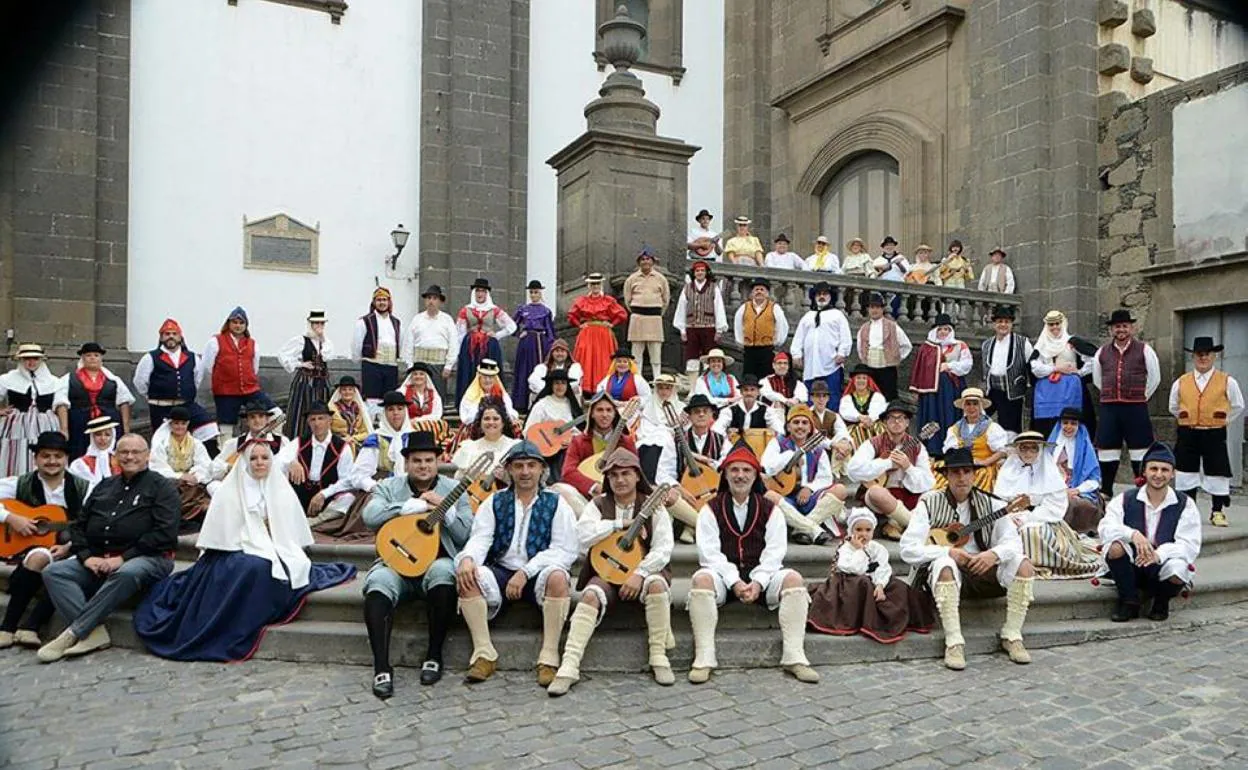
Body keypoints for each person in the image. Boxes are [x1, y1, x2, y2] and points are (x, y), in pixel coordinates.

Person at [133, 438, 355, 662]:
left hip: (273, 547)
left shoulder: (281, 488)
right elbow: (222, 537)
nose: (260, 463)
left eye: (265, 458)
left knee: (292, 566)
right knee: (254, 568)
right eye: (254, 458)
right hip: (231, 551)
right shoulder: (229, 492)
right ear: (246, 462)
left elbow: (290, 533)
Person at [37, 434, 179, 663]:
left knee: (127, 572)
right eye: (124, 452)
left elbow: (165, 533)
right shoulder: (105, 485)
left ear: (147, 456)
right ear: (115, 457)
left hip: (148, 558)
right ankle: (94, 633)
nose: (130, 457)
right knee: (54, 572)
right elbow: (80, 526)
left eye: (136, 452)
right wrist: (85, 557)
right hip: (99, 557)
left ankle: (73, 633)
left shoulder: (162, 487)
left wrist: (123, 558)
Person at [687, 442, 819, 684]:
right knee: (700, 579)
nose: (740, 476)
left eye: (746, 471)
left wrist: (758, 582)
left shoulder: (771, 509)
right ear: (725, 475)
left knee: (793, 579)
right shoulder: (710, 509)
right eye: (734, 470)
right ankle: (704, 657)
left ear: (755, 475)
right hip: (724, 579)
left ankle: (795, 657)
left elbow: (775, 552)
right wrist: (735, 582)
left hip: (762, 578)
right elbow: (710, 555)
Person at [548, 448, 676, 695]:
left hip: (644, 572)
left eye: (626, 473)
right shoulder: (598, 504)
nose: (620, 480)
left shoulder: (653, 506)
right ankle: (569, 665)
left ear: (638, 476)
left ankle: (658, 656)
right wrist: (617, 524)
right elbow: (582, 536)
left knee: (658, 586)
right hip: (607, 569)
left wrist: (639, 573)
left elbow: (663, 548)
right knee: (589, 595)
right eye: (614, 475)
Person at [899, 447, 1036, 670]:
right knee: (944, 564)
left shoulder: (993, 504)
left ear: (974, 475)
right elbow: (907, 549)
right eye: (955, 472)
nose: (961, 477)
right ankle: (953, 641)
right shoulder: (928, 502)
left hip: (983, 569)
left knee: (1024, 564)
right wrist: (948, 552)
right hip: (945, 572)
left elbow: (1014, 542)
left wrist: (994, 554)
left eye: (966, 471)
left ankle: (1012, 635)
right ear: (946, 476)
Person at [454, 441, 578, 685]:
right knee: (467, 575)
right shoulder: (495, 501)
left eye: (531, 465)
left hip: (538, 571)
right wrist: (468, 559)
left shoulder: (556, 503)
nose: (525, 472)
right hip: (500, 569)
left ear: (542, 469)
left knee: (559, 577)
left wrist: (526, 571)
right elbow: (481, 538)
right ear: (509, 470)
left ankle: (549, 656)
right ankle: (484, 653)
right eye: (518, 466)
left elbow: (565, 550)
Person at [361, 431, 473, 695]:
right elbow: (369, 515)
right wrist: (405, 507)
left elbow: (465, 534)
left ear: (438, 462)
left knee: (444, 572)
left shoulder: (454, 490)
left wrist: (447, 512)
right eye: (417, 461)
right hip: (396, 563)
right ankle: (381, 666)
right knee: (378, 582)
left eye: (428, 460)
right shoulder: (391, 487)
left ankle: (434, 655)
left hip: (436, 561)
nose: (423, 466)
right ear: (407, 463)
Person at [0, 432, 90, 650]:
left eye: (57, 456)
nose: (52, 461)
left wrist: (71, 545)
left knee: (57, 566)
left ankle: (28, 626)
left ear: (66, 458)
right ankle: (9, 627)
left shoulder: (84, 487)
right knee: (38, 557)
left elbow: (93, 522)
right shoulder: (20, 483)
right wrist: (11, 517)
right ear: (36, 458)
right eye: (45, 456)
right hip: (31, 546)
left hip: (70, 548)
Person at [1100, 442, 1200, 622]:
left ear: (1172, 474)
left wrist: (1158, 555)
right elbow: (1106, 527)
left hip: (1162, 565)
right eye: (1153, 468)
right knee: (1115, 547)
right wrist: (1133, 534)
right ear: (1144, 471)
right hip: (1132, 564)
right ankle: (1129, 601)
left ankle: (1161, 602)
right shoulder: (1125, 498)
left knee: (1179, 569)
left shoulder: (1185, 504)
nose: (1158, 474)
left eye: (1164, 470)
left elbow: (1189, 545)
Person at [807, 508, 933, 643]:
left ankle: (898, 620)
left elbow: (883, 567)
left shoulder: (877, 548)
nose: (863, 534)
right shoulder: (846, 547)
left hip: (874, 580)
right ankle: (866, 620)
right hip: (850, 582)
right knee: (864, 583)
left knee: (899, 587)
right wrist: (859, 550)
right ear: (851, 531)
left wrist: (880, 585)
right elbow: (854, 569)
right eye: (859, 530)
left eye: (868, 530)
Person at [996, 432, 1101, 579]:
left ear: (1040, 450)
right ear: (1018, 450)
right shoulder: (1007, 471)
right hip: (1011, 517)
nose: (1028, 452)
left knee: (1030, 532)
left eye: (1033, 448)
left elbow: (1055, 506)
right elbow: (999, 501)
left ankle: (1035, 564)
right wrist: (1010, 516)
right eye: (1024, 448)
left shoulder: (1050, 471)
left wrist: (1029, 515)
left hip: (1043, 520)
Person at [1168, 336, 1244, 527]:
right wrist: (1187, 418)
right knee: (1185, 470)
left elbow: (1238, 405)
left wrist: (1223, 420)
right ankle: (1188, 512)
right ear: (1193, 357)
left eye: (1207, 354)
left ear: (1214, 356)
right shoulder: (1182, 381)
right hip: (1188, 431)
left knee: (1217, 470)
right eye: (1199, 354)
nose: (1203, 358)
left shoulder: (1227, 381)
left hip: (1214, 432)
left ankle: (1217, 511)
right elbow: (1173, 406)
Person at [1093, 309, 1161, 496]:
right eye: (1117, 327)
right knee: (1107, 450)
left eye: (1124, 326)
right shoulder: (1101, 353)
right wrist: (1111, 394)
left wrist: (1140, 396)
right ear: (1111, 330)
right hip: (1110, 407)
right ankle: (1106, 490)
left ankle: (1142, 490)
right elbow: (1098, 380)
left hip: (1135, 407)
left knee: (1140, 450)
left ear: (1131, 328)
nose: (1121, 330)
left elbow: (1155, 378)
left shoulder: (1145, 350)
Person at [847, 400, 937, 540]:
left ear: (907, 423)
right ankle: (915, 527)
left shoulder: (918, 446)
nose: (897, 422)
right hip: (882, 498)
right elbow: (853, 470)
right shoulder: (873, 443)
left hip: (908, 496)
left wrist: (908, 467)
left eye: (901, 418)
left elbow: (928, 482)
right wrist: (887, 464)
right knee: (876, 492)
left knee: (933, 495)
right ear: (885, 422)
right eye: (892, 418)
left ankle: (895, 523)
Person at [762, 404, 849, 544]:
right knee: (768, 496)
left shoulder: (818, 449)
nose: (800, 426)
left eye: (804, 423)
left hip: (810, 499)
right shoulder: (777, 443)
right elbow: (767, 467)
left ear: (810, 428)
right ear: (788, 426)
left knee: (840, 490)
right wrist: (791, 455)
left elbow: (826, 477)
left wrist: (809, 488)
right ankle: (813, 529)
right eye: (796, 422)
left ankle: (801, 528)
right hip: (785, 497)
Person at [132, 318, 219, 453]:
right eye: (167, 334)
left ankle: (205, 460)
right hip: (161, 409)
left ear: (180, 337)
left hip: (186, 405)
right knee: (163, 443)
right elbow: (140, 382)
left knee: (208, 427)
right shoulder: (150, 358)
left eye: (174, 333)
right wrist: (156, 396)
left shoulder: (192, 357)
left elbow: (197, 378)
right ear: (161, 338)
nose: (171, 337)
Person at [201, 307, 277, 441]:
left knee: (277, 415)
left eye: (241, 323)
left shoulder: (252, 344)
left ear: (246, 325)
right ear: (229, 323)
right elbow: (208, 366)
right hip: (226, 392)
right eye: (235, 322)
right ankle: (226, 458)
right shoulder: (215, 342)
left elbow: (254, 367)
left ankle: (263, 442)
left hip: (250, 389)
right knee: (226, 429)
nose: (238, 326)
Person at [556, 392, 637, 514]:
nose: (604, 415)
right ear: (592, 414)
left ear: (615, 414)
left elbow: (636, 471)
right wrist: (593, 486)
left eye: (609, 410)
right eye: (599, 410)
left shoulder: (626, 442)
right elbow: (568, 472)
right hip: (586, 497)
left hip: (618, 496)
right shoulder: (578, 441)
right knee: (559, 489)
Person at [910, 314, 972, 459]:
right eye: (940, 329)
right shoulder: (927, 348)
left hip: (952, 389)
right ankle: (932, 447)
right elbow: (919, 369)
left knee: (950, 415)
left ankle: (952, 445)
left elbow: (967, 364)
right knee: (933, 417)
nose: (943, 332)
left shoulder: (959, 345)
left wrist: (949, 366)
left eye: (946, 329)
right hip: (932, 392)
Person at [57, 342, 133, 459]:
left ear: (101, 358)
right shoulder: (68, 379)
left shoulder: (113, 379)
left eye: (96, 355)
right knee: (80, 452)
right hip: (79, 423)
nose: (92, 358)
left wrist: (126, 429)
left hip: (108, 421)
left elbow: (124, 402)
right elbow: (61, 403)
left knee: (110, 452)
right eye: (88, 355)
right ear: (82, 358)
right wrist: (64, 429)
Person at [283, 402, 357, 517]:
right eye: (313, 419)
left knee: (348, 498)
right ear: (308, 422)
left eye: (321, 418)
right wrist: (290, 462)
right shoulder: (299, 442)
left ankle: (318, 521)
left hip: (327, 496)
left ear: (329, 420)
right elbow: (278, 459)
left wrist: (323, 494)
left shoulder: (342, 447)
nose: (317, 423)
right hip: (301, 493)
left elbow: (347, 480)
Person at [1030, 310, 1095, 438]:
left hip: (1070, 389)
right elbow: (1035, 367)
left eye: (1057, 323)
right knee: (1047, 426)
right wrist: (1056, 368)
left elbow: (1094, 359)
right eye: (1051, 324)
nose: (1055, 327)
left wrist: (1079, 372)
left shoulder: (1071, 342)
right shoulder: (1041, 346)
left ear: (1063, 323)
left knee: (1071, 419)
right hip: (1047, 391)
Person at [1, 344, 63, 477]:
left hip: (46, 423)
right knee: (17, 452)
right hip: (17, 424)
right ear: (21, 360)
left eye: (35, 358)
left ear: (41, 360)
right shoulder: (8, 379)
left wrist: (64, 429)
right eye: (26, 359)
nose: (31, 362)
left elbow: (61, 404)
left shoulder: (53, 381)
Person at [454, 278, 517, 405]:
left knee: (490, 372)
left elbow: (512, 326)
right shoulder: (466, 310)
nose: (480, 294)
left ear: (487, 293)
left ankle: (492, 401)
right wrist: (459, 351)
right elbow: (459, 332)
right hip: (470, 346)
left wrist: (497, 335)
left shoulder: (494, 309)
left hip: (489, 346)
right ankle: (468, 403)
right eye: (477, 291)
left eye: (483, 291)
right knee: (469, 373)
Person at [207, 401, 291, 495]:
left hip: (273, 490)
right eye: (252, 417)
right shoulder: (235, 443)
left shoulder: (282, 442)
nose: (257, 420)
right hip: (243, 491)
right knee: (213, 486)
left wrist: (293, 463)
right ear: (247, 421)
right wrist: (228, 467)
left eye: (261, 416)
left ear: (267, 419)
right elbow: (213, 468)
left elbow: (290, 465)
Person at [148, 406, 214, 526]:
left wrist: (195, 475)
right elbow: (157, 467)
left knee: (201, 492)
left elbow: (204, 464)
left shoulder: (196, 443)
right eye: (176, 423)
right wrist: (180, 476)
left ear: (188, 424)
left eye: (183, 423)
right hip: (170, 482)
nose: (179, 427)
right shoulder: (161, 444)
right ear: (170, 424)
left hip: (192, 483)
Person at [568, 273, 628, 399]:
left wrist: (612, 324)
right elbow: (571, 315)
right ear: (589, 285)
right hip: (587, 332)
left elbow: (622, 314)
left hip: (603, 333)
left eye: (597, 284)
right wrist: (579, 325)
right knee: (586, 358)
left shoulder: (608, 300)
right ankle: (586, 388)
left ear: (601, 285)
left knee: (603, 359)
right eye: (593, 284)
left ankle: (602, 386)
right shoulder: (582, 301)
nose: (595, 286)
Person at [278, 310, 334, 441]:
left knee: (321, 410)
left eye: (321, 323)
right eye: (316, 323)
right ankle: (298, 440)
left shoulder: (326, 342)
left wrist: (322, 339)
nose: (319, 326)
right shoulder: (301, 340)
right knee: (302, 411)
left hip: (322, 383)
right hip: (305, 382)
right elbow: (283, 354)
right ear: (310, 324)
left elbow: (327, 356)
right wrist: (300, 364)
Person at [940, 388, 1009, 493]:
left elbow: (1002, 451)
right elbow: (950, 451)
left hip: (983, 465)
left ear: (980, 406)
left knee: (979, 474)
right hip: (959, 464)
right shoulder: (955, 428)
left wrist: (984, 462)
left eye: (975, 404)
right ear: (963, 407)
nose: (971, 408)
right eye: (968, 404)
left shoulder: (991, 427)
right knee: (940, 469)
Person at [792, 281, 853, 399]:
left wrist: (842, 353)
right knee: (810, 397)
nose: (822, 297)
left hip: (831, 364)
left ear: (830, 296)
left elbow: (845, 337)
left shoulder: (837, 315)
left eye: (825, 294)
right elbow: (799, 337)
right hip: (810, 365)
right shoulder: (808, 316)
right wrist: (796, 354)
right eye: (819, 294)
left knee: (831, 396)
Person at [1048, 407, 1104, 534]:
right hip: (1052, 489)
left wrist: (1076, 490)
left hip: (1079, 491)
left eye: (1073, 423)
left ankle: (1066, 534)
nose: (1069, 427)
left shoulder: (1085, 449)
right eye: (1065, 423)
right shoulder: (1051, 447)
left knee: (1074, 504)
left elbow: (1094, 479)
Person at [351, 391, 416, 495]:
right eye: (391, 409)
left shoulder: (415, 437)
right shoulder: (375, 439)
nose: (396, 413)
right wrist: (375, 487)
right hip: (382, 491)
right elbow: (359, 475)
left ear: (405, 411)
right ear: (384, 413)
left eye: (400, 409)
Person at [979, 306, 1031, 435]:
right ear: (994, 324)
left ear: (1012, 324)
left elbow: (1031, 366)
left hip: (1012, 392)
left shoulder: (1023, 342)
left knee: (1010, 429)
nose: (1003, 325)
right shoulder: (986, 344)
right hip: (992, 391)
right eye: (1000, 321)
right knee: (982, 423)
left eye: (1006, 322)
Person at [524, 370, 582, 485]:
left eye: (563, 383)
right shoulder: (542, 404)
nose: (560, 386)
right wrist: (548, 444)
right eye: (556, 383)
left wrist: (572, 441)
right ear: (551, 385)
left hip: (570, 450)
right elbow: (528, 431)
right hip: (546, 454)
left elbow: (580, 431)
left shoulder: (572, 405)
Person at [673, 260, 728, 378]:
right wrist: (682, 330)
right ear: (694, 273)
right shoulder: (687, 288)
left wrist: (719, 329)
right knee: (691, 357)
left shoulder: (713, 288)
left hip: (709, 328)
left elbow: (719, 308)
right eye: (697, 271)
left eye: (702, 271)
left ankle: (708, 383)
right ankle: (692, 386)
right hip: (691, 328)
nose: (700, 273)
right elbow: (681, 308)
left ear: (706, 273)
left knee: (709, 356)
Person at [351, 287, 403, 410]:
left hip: (391, 365)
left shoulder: (396, 322)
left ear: (389, 302)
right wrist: (360, 360)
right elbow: (356, 343)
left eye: (384, 300)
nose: (382, 303)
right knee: (372, 398)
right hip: (372, 365)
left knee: (389, 397)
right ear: (374, 302)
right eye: (379, 300)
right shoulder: (365, 321)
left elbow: (400, 342)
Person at [402, 284, 458, 398]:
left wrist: (448, 366)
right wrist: (409, 365)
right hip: (419, 365)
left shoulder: (447, 320)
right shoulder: (417, 319)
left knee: (437, 396)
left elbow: (453, 344)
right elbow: (408, 342)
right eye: (428, 298)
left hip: (439, 366)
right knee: (417, 396)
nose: (431, 301)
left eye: (434, 298)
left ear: (440, 302)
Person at [623, 249, 671, 381]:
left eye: (648, 259)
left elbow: (666, 299)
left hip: (654, 319)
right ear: (639, 262)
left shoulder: (661, 279)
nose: (645, 262)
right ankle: (636, 380)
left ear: (653, 261)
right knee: (636, 353)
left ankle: (657, 379)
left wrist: (655, 312)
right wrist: (638, 311)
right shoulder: (631, 279)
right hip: (637, 318)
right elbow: (627, 300)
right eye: (643, 259)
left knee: (655, 353)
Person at [855, 291, 912, 401]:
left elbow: (906, 345)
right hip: (869, 368)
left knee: (888, 397)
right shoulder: (864, 328)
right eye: (872, 307)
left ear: (882, 309)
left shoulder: (892, 326)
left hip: (887, 368)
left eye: (877, 307)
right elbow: (859, 348)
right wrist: (865, 359)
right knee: (870, 398)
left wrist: (896, 358)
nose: (874, 310)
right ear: (868, 309)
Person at [511, 280, 557, 408]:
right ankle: (521, 402)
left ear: (540, 293)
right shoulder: (523, 309)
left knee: (539, 368)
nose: (533, 295)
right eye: (531, 292)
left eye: (536, 292)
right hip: (526, 342)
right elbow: (511, 324)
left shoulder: (546, 311)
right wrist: (519, 333)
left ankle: (540, 400)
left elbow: (550, 330)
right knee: (523, 369)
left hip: (540, 343)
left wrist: (550, 346)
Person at [733, 277, 790, 380]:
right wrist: (741, 342)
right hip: (749, 350)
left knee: (766, 378)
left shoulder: (774, 308)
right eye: (756, 290)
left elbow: (782, 326)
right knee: (748, 377)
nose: (759, 292)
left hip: (766, 349)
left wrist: (776, 342)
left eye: (762, 289)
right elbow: (738, 326)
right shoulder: (744, 307)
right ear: (752, 293)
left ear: (767, 293)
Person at [458, 359, 520, 426]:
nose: (487, 380)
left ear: (495, 379)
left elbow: (510, 413)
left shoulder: (502, 395)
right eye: (484, 377)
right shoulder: (470, 396)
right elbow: (466, 418)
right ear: (479, 378)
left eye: (490, 377)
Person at [717, 374, 782, 436]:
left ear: (758, 392)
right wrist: (727, 434)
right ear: (741, 392)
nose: (749, 393)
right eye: (746, 390)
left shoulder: (767, 411)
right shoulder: (729, 410)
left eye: (752, 390)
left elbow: (780, 431)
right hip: (734, 446)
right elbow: (717, 430)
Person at [68, 416, 120, 495]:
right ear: (92, 437)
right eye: (98, 435)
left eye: (107, 435)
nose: (103, 438)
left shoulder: (120, 460)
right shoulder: (79, 464)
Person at [839, 364, 887, 448]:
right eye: (858, 378)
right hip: (854, 427)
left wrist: (869, 419)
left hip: (874, 425)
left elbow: (879, 411)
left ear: (868, 381)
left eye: (864, 378)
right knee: (853, 433)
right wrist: (859, 417)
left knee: (880, 430)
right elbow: (845, 412)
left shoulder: (877, 396)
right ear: (854, 381)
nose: (861, 380)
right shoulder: (847, 398)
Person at [760, 352, 807, 431]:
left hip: (791, 412)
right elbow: (768, 393)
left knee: (801, 405)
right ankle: (782, 433)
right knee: (777, 403)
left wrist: (796, 400)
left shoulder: (795, 381)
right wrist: (785, 400)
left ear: (788, 366)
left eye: (785, 363)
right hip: (772, 416)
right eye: (779, 363)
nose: (782, 366)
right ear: (773, 365)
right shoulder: (765, 380)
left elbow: (803, 394)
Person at [527, 339, 583, 405]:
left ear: (567, 353)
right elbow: (533, 380)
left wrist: (558, 393)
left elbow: (574, 382)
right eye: (557, 351)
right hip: (546, 399)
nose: (559, 354)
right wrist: (550, 393)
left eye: (562, 351)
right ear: (552, 353)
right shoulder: (542, 367)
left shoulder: (575, 366)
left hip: (567, 399)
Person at [328, 375, 371, 450]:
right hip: (337, 445)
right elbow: (327, 429)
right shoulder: (331, 408)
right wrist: (342, 439)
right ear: (340, 392)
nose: (347, 392)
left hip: (356, 445)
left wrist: (353, 438)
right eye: (344, 389)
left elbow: (366, 431)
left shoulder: (360, 410)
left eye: (350, 389)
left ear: (354, 391)